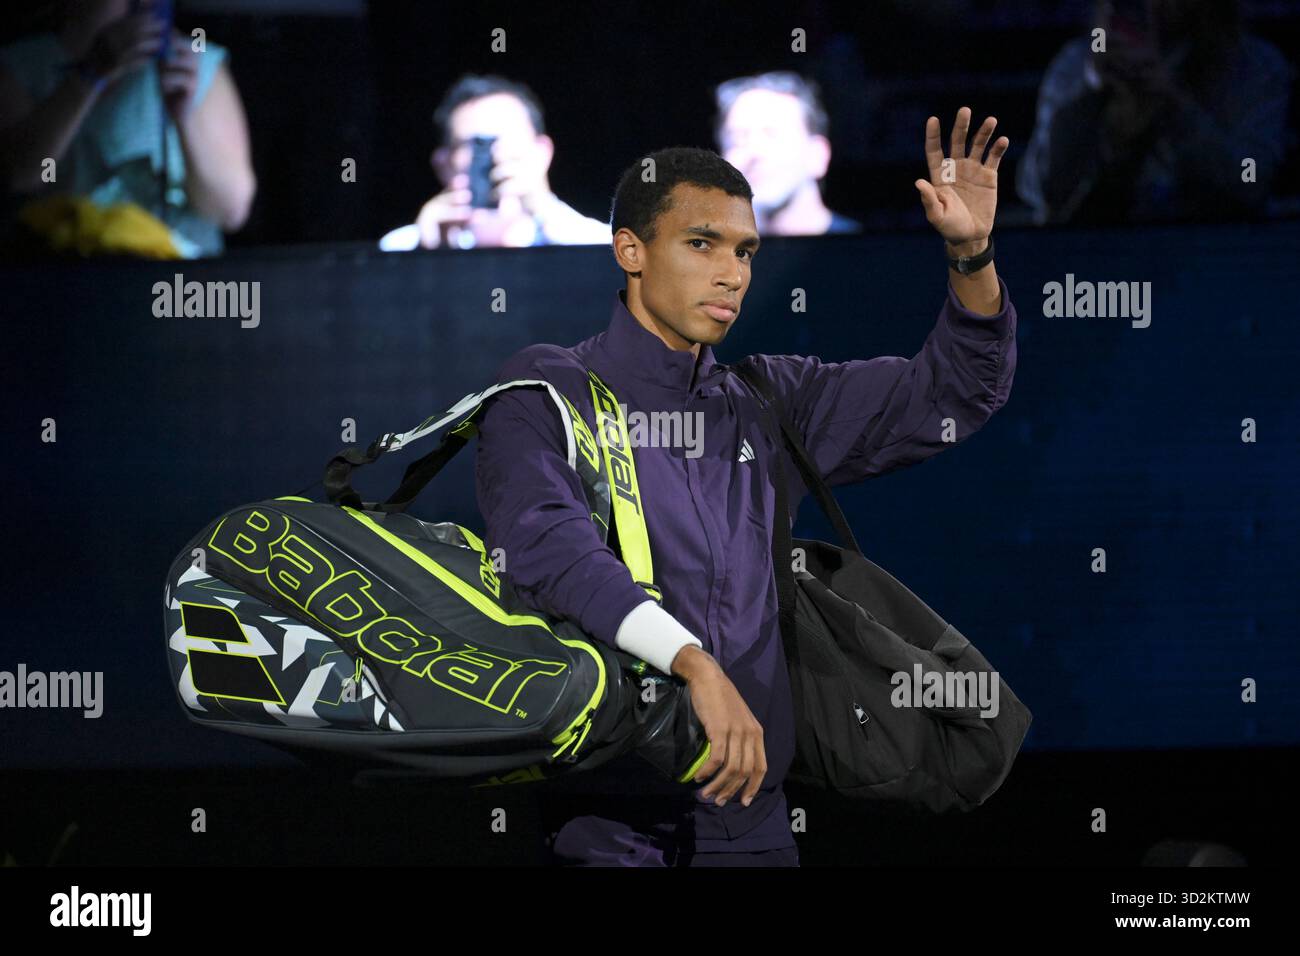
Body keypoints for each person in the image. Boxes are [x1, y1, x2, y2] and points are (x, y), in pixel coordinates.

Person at [474, 107, 1017, 866]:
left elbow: (954, 394)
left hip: (757, 825)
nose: (733, 273)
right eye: (703, 245)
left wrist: (971, 255)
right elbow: (545, 550)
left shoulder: (766, 401)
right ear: (630, 250)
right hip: (611, 826)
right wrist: (691, 661)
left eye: (746, 251)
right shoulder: (547, 389)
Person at [0, 0, 256, 257]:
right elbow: (24, 176)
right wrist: (90, 75)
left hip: (175, 277)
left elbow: (231, 211)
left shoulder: (196, 64)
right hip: (64, 271)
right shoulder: (21, 66)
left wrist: (185, 119)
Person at [1016, 0, 1293, 224]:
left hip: (1213, 263)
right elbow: (1043, 191)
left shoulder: (1255, 69)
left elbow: (1251, 182)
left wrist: (1174, 102)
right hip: (1098, 274)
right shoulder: (1077, 68)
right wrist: (1093, 91)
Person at [380, 73, 611, 251]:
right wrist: (427, 262)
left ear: (542, 152)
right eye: (476, 145)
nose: (495, 157)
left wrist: (548, 215)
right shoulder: (402, 248)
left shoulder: (599, 244)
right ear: (443, 164)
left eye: (508, 139)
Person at [714, 70, 861, 236]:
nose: (754, 152)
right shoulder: (705, 259)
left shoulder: (869, 254)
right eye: (738, 140)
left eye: (772, 134)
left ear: (817, 155)